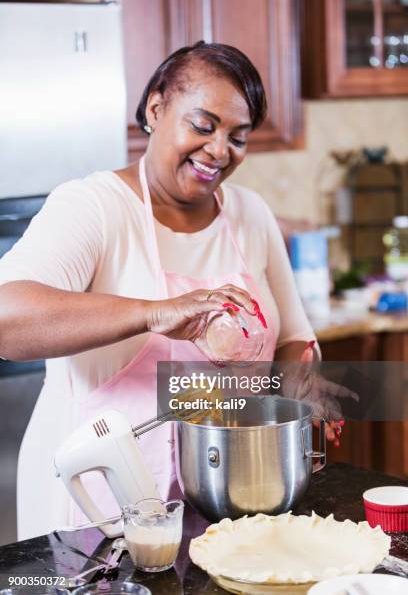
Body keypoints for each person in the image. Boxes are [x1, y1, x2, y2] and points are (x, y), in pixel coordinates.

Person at [0, 41, 337, 540]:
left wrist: (294, 401)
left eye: (238, 137)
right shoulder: (92, 207)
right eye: (203, 126)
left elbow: (294, 338)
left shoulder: (250, 214)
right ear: (156, 109)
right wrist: (155, 313)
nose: (220, 150)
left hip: (226, 502)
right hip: (96, 510)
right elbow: (8, 322)